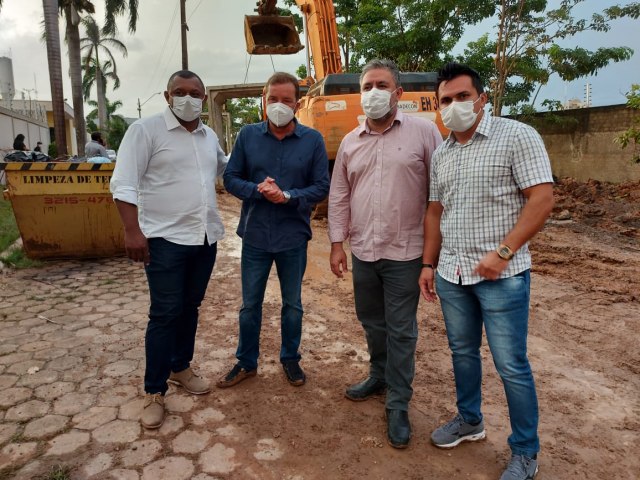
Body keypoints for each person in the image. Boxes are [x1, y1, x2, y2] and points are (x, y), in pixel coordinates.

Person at [419, 63, 554, 480]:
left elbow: (542, 198)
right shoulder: (442, 153)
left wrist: (503, 252)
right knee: (462, 353)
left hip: (502, 277)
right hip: (452, 274)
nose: (454, 105)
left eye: (462, 96)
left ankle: (526, 451)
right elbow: (435, 212)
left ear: (482, 99)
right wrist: (428, 263)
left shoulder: (516, 136)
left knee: (511, 365)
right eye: (445, 100)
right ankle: (470, 420)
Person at [328, 59, 442, 449]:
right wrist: (337, 243)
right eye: (367, 86)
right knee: (372, 323)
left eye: (381, 85)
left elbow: (438, 194)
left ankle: (398, 402)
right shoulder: (350, 141)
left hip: (405, 252)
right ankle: (378, 375)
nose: (373, 92)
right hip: (364, 250)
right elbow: (339, 195)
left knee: (401, 330)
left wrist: (431, 256)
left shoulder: (424, 133)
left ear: (398, 93)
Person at [110, 70, 228, 429]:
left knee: (190, 307)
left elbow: (226, 169)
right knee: (164, 313)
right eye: (180, 91)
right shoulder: (145, 131)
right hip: (164, 240)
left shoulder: (209, 137)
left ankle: (180, 367)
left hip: (204, 238)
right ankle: (154, 390)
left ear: (204, 98)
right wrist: (132, 231)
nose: (187, 99)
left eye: (194, 93)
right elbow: (124, 183)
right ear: (167, 96)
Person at [218, 72, 329, 389]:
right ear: (263, 101)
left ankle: (290, 358)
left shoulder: (312, 140)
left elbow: (322, 186)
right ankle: (246, 362)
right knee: (249, 305)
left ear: (297, 103)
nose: (279, 105)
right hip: (255, 235)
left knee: (292, 305)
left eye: (286, 100)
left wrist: (288, 196)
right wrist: (257, 189)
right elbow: (230, 178)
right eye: (273, 99)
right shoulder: (247, 136)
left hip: (293, 236)